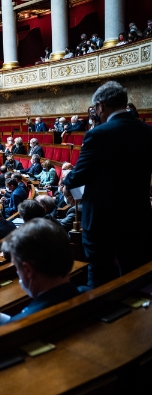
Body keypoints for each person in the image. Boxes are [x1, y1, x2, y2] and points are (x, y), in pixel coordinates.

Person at [63, 81, 152, 288]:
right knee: (134, 276)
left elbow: (78, 177)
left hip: (103, 219)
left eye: (95, 109)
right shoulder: (147, 131)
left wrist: (67, 179)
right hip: (138, 215)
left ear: (101, 106)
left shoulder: (98, 134)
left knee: (100, 279)